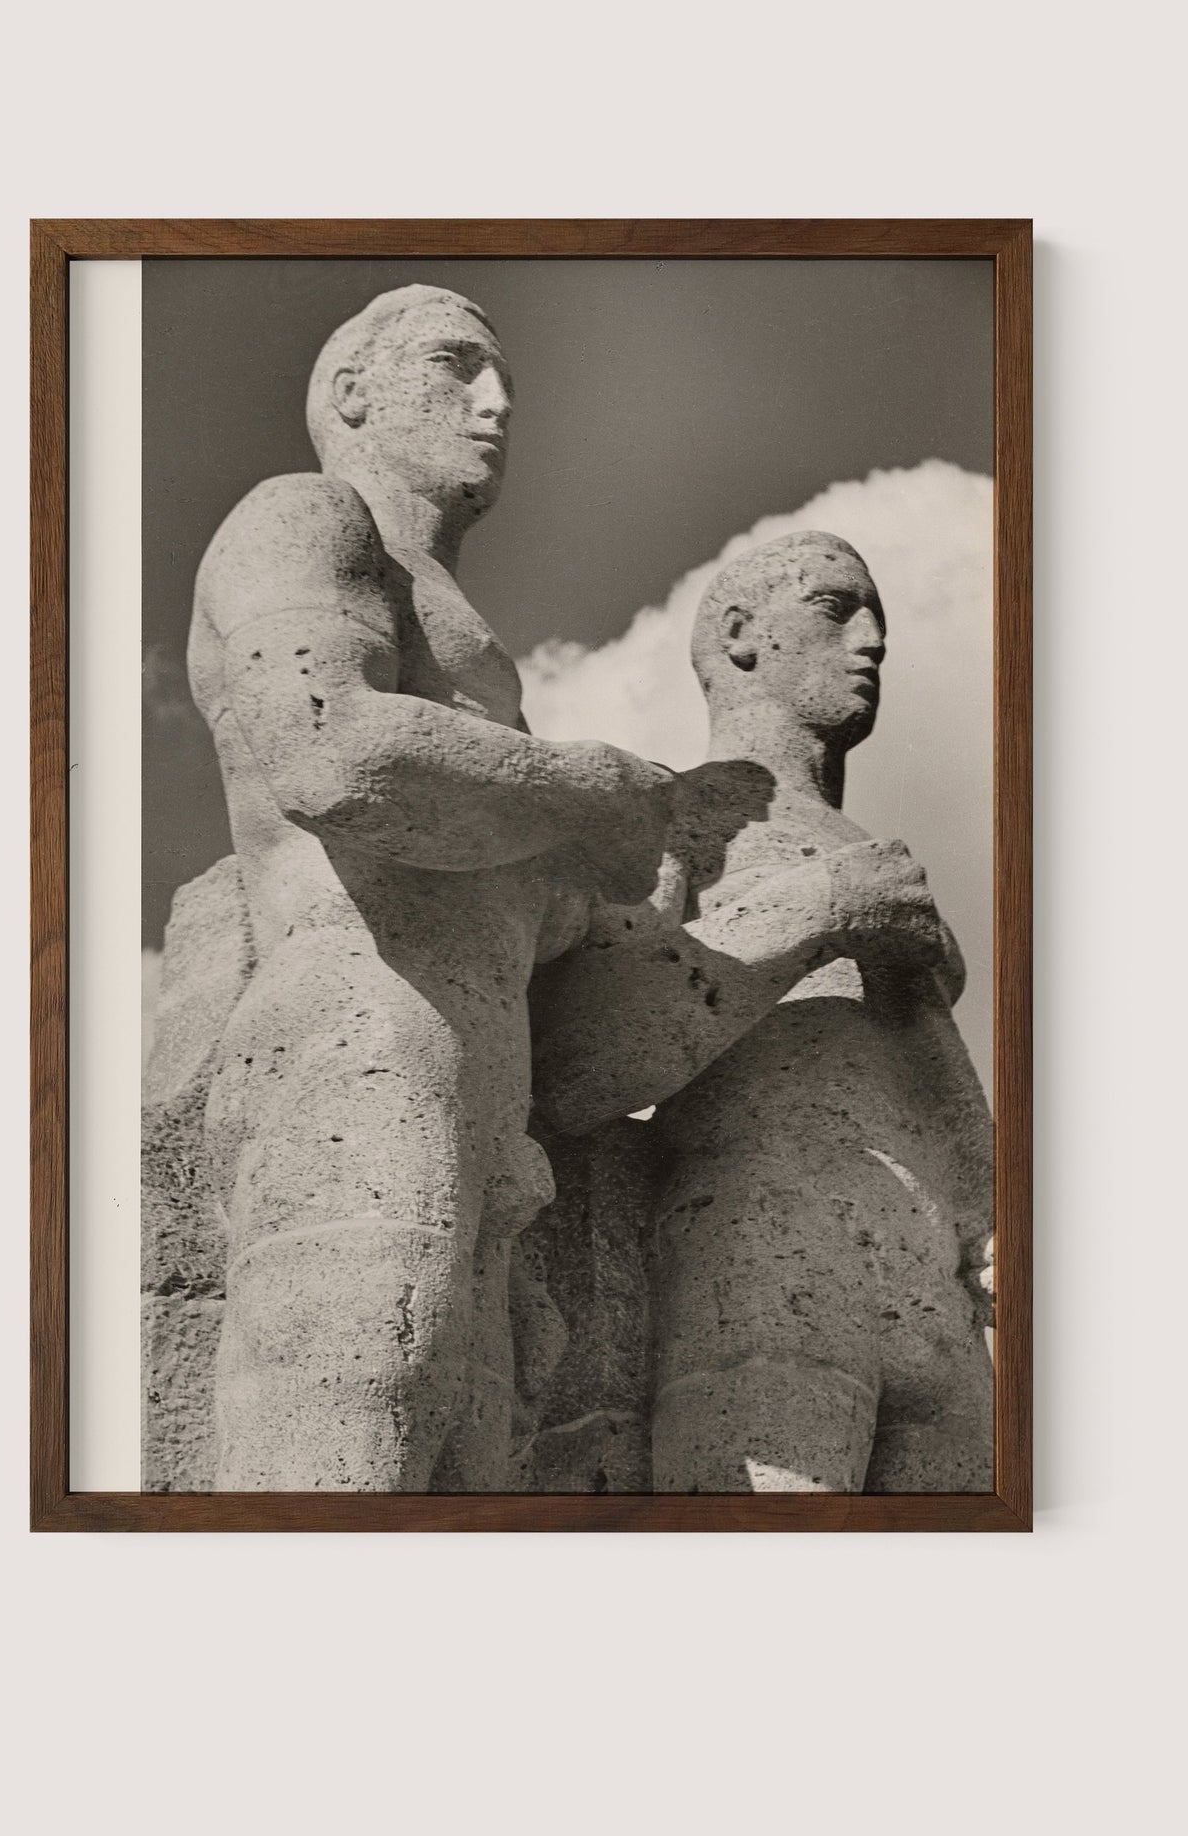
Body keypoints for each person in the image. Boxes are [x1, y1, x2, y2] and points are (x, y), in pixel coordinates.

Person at [190, 285, 672, 1491]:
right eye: (458, 368)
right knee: (343, 1450)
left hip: (487, 1109)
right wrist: (586, 789)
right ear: (353, 393)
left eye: (499, 377)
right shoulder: (303, 518)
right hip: (362, 1040)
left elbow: (536, 925)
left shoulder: (472, 661)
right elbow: (327, 747)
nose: (496, 404)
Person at [531, 531, 993, 1492]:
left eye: (877, 622)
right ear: (739, 634)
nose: (870, 642)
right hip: (769, 1237)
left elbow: (932, 1070)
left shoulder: (874, 849)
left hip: (933, 1284)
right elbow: (581, 1059)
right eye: (834, 609)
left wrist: (988, 1224)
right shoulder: (676, 818)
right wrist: (820, 913)